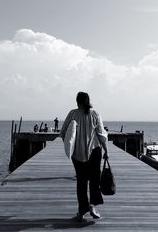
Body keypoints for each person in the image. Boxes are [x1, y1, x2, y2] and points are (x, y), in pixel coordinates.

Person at [60, 91, 109, 221]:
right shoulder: (95, 114)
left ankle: (81, 212)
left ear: (77, 101)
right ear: (88, 101)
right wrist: (106, 150)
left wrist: (70, 146)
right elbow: (101, 134)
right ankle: (92, 206)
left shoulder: (73, 114)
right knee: (94, 179)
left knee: (81, 182)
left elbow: (64, 132)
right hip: (95, 151)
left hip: (77, 153)